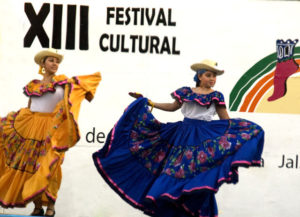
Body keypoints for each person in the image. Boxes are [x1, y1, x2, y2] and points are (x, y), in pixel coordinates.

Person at [92, 59, 264, 217]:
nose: (212, 79)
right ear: (199, 76)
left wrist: (237, 138)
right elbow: (172, 107)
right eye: (209, 75)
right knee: (172, 171)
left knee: (198, 176)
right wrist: (150, 103)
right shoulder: (185, 92)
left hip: (203, 138)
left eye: (214, 76)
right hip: (182, 135)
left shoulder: (216, 95)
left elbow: (225, 121)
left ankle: (195, 209)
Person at [0, 48, 101, 216]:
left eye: (57, 61)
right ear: (43, 64)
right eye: (51, 60)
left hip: (51, 130)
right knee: (32, 166)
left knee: (51, 167)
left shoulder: (63, 83)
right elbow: (31, 106)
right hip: (31, 129)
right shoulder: (34, 85)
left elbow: (72, 98)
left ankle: (51, 206)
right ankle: (38, 206)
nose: (55, 64)